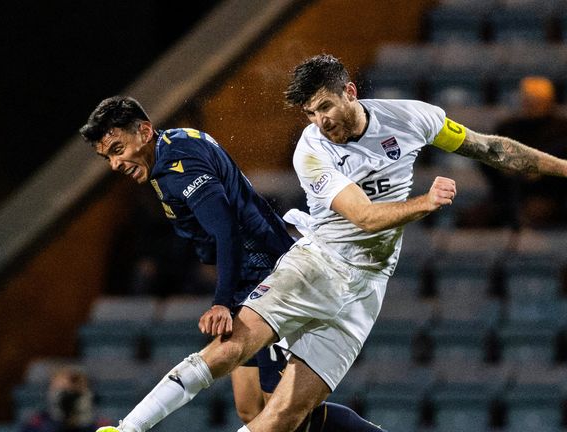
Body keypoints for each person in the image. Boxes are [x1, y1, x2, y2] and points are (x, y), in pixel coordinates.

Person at [89, 54, 567, 432]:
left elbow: (494, 148)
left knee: (280, 419)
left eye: (324, 106)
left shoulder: (413, 118)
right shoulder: (312, 149)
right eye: (310, 112)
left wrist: (564, 169)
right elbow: (361, 217)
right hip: (315, 265)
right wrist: (424, 204)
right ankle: (128, 429)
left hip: (366, 289)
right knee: (232, 360)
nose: (319, 120)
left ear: (349, 93)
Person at [80, 96, 382, 431]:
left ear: (145, 131)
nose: (114, 164)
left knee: (283, 415)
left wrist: (221, 302)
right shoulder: (171, 146)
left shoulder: (179, 165)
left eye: (118, 149)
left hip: (268, 277)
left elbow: (227, 231)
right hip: (247, 278)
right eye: (106, 156)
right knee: (250, 408)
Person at [470, 76, 567, 228]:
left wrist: (543, 171)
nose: (531, 106)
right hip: (508, 195)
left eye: (537, 102)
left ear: (550, 101)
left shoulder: (562, 130)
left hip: (553, 197)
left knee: (539, 210)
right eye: (528, 101)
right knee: (473, 218)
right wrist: (504, 168)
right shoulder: (508, 128)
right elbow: (485, 159)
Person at [20, 365, 96, 432]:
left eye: (75, 393)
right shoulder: (35, 426)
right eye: (62, 392)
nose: (68, 399)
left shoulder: (101, 427)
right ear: (50, 392)